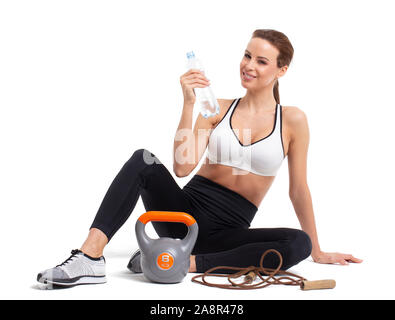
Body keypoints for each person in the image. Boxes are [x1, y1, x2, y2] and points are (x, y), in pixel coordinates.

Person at [37, 29, 362, 287]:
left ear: (282, 69)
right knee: (143, 160)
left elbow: (298, 189)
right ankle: (90, 257)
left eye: (262, 61)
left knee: (298, 243)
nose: (249, 65)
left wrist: (318, 249)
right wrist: (189, 103)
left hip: (226, 236)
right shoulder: (215, 107)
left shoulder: (293, 120)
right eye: (247, 55)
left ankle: (185, 261)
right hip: (182, 217)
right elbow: (181, 167)